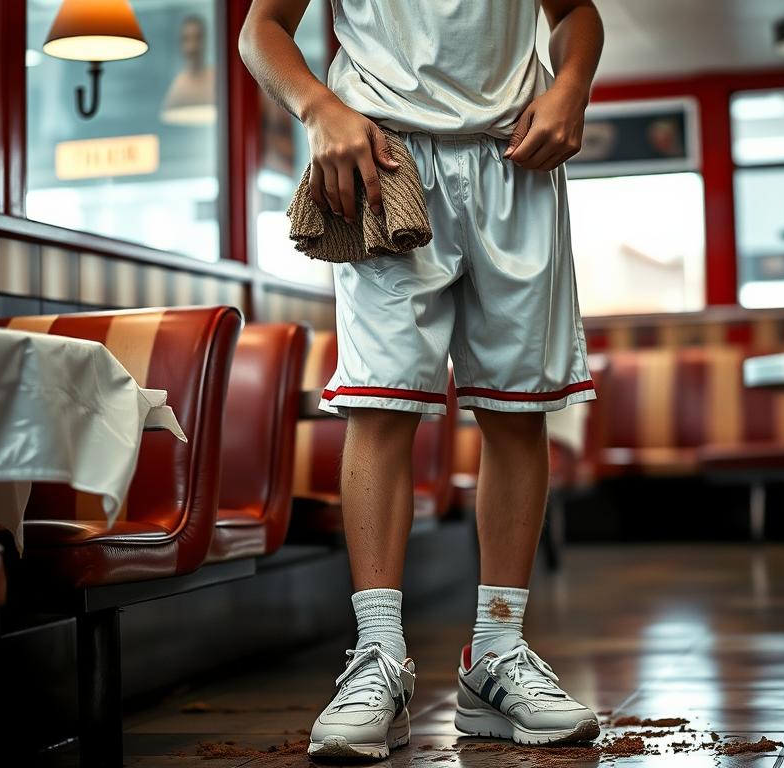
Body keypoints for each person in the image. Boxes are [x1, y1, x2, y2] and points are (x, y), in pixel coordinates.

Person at [239, 0, 604, 760]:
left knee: (517, 412)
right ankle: (378, 659)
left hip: (515, 156)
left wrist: (572, 84)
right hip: (383, 157)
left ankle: (496, 657)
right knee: (379, 408)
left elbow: (574, 14)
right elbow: (259, 27)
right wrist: (319, 106)